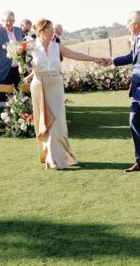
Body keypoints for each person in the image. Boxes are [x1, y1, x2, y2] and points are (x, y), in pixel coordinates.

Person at [25, 18, 102, 170]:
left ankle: (59, 156)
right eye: (50, 29)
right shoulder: (30, 48)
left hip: (56, 86)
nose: (53, 31)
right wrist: (26, 74)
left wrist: (95, 59)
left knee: (57, 123)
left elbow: (76, 55)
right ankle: (50, 157)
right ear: (41, 31)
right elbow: (29, 66)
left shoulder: (57, 46)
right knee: (44, 122)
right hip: (39, 87)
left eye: (53, 28)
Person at [101, 10, 140, 176]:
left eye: (128, 25)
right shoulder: (138, 38)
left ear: (135, 24)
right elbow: (133, 57)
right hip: (137, 92)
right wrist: (112, 61)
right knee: (134, 124)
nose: (127, 28)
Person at [0, 11, 24, 87]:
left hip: (18, 69)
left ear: (14, 21)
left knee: (19, 95)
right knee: (3, 96)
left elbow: (22, 48)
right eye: (7, 21)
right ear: (3, 20)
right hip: (2, 70)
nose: (9, 23)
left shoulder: (18, 30)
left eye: (11, 20)